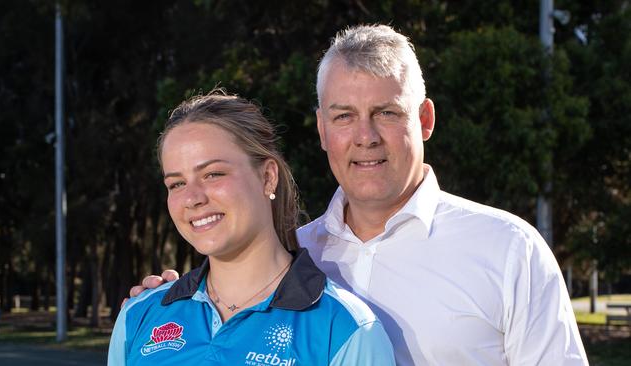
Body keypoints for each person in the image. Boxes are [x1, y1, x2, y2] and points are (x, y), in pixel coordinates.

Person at [130, 25, 588, 365]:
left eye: (386, 112)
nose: (364, 136)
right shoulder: (295, 255)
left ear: (425, 119)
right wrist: (171, 304)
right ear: (322, 129)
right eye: (344, 116)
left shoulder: (508, 249)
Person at [109, 91, 395, 366]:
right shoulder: (140, 315)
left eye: (213, 174)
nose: (193, 198)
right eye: (177, 183)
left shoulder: (346, 329)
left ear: (268, 177)